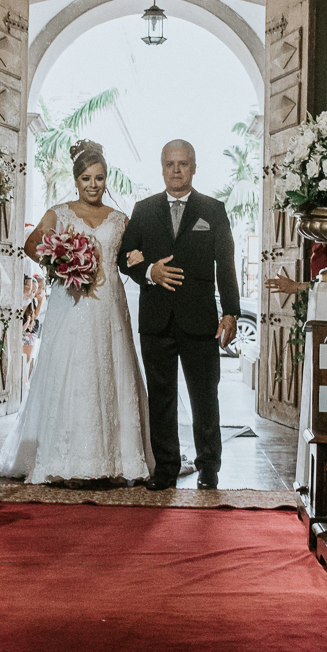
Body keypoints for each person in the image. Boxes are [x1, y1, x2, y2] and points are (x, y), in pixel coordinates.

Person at [0, 139, 153, 485]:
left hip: (107, 305)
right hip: (70, 302)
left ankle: (119, 458)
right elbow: (31, 245)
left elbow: (132, 254)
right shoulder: (60, 213)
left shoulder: (120, 219)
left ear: (107, 180)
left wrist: (139, 259)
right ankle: (62, 456)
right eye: (86, 178)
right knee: (68, 368)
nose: (93, 185)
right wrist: (62, 264)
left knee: (111, 367)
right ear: (76, 180)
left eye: (99, 178)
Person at [118, 140, 239, 491]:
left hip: (200, 319)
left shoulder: (213, 210)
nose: (176, 170)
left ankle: (209, 468)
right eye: (170, 163)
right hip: (156, 320)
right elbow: (123, 256)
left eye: (183, 163)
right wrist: (149, 272)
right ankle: (166, 469)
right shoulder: (143, 210)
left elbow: (226, 266)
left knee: (205, 396)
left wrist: (230, 311)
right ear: (161, 167)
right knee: (161, 396)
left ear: (194, 167)